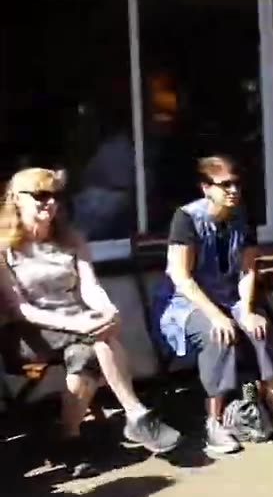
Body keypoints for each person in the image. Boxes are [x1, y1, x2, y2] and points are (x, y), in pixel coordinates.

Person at [0, 168, 181, 475]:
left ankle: (69, 437)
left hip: (77, 326)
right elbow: (21, 310)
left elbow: (89, 287)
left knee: (92, 348)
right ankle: (135, 414)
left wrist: (107, 309)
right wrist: (81, 324)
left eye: (55, 196)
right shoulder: (5, 248)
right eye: (41, 196)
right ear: (17, 200)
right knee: (96, 338)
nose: (49, 203)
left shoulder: (71, 240)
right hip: (27, 333)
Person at [153, 156, 273, 455]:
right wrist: (216, 316)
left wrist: (247, 310)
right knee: (218, 333)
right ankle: (214, 422)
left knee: (259, 327)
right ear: (206, 188)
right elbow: (181, 277)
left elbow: (248, 270)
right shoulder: (186, 218)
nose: (233, 190)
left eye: (237, 184)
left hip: (227, 297)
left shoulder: (241, 216)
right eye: (225, 185)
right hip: (184, 303)